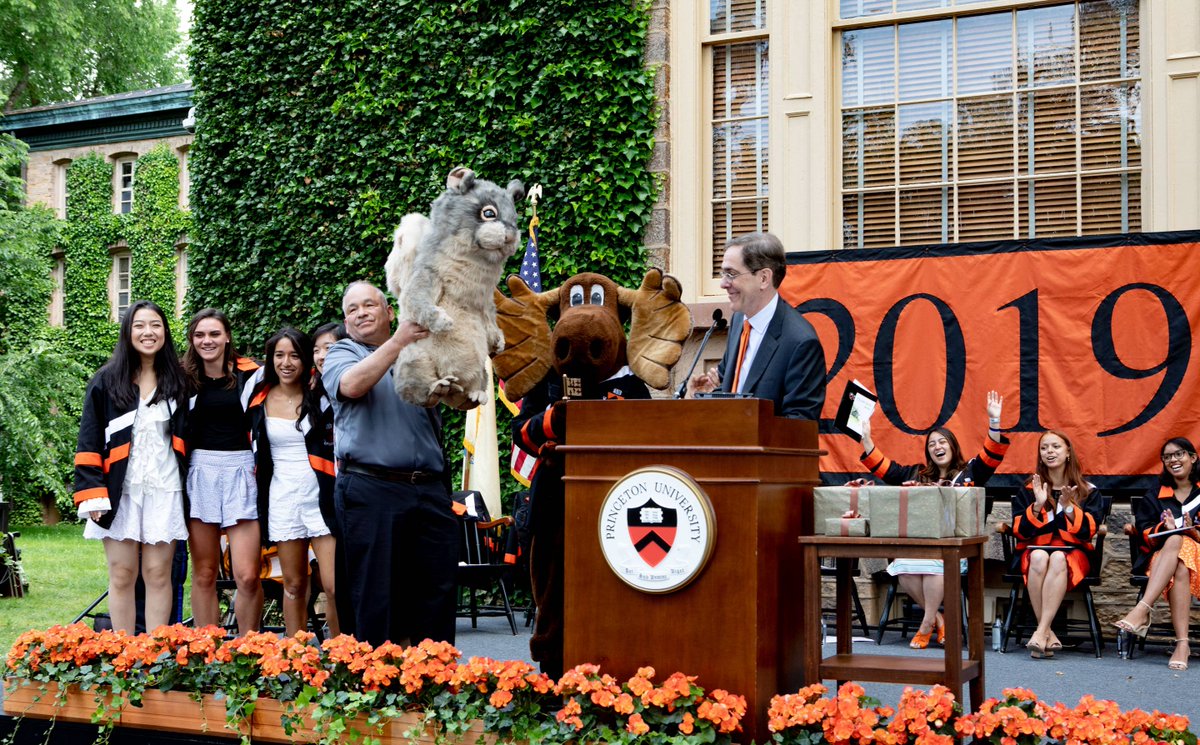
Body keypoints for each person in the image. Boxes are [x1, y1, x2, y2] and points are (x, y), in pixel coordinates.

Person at [321, 281, 457, 647]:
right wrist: (398, 342)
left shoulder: (422, 352)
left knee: (437, 590)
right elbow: (351, 386)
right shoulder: (341, 353)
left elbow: (464, 397)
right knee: (375, 595)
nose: (362, 313)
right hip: (372, 488)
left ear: (389, 312)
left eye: (369, 305)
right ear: (347, 321)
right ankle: (375, 687)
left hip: (429, 488)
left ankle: (434, 682)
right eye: (353, 309)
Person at [858, 391, 1009, 648]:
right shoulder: (918, 475)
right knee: (903, 567)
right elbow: (885, 469)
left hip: (956, 549)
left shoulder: (969, 472)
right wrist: (866, 439)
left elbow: (992, 455)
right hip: (920, 547)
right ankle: (939, 619)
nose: (937, 447)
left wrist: (994, 422)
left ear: (952, 446)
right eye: (932, 444)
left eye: (942, 442)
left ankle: (926, 624)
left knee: (933, 566)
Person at [74, 300, 189, 633]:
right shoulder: (106, 381)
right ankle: (122, 654)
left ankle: (153, 655)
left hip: (164, 489)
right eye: (139, 325)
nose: (148, 332)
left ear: (165, 332)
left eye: (155, 325)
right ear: (127, 332)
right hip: (118, 491)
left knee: (157, 574)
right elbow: (89, 440)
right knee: (122, 574)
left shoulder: (178, 381)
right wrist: (92, 494)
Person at [247, 327, 339, 637]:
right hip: (282, 496)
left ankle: (343, 655)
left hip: (320, 495)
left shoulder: (321, 395)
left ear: (305, 359)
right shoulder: (257, 397)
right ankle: (295, 655)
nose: (287, 363)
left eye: (295, 355)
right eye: (279, 355)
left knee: (332, 584)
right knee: (294, 582)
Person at [685, 231, 826, 420]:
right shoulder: (738, 320)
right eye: (723, 273)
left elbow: (799, 427)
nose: (723, 284)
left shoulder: (801, 342)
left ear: (764, 278)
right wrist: (707, 397)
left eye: (731, 274)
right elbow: (735, 392)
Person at [182, 308, 262, 634]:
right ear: (192, 339)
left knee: (247, 574)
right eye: (200, 335)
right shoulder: (181, 378)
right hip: (200, 471)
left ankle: (250, 649)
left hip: (242, 470)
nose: (207, 340)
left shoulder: (252, 374)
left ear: (227, 336)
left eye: (214, 334)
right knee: (204, 572)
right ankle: (208, 652)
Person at [1011, 430, 1103, 659]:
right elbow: (1020, 533)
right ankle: (1047, 634)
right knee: (1041, 556)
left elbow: (1088, 532)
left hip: (1073, 554)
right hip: (1034, 553)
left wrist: (1070, 508)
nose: (1049, 452)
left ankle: (1040, 630)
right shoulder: (1030, 489)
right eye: (1044, 448)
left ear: (1068, 452)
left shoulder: (1086, 490)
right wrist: (1037, 506)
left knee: (1058, 557)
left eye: (1055, 447)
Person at [1113, 437, 1200, 670]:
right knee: (1176, 546)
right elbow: (1143, 530)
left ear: (1192, 457)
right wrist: (1164, 528)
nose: (1173, 460)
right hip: (1163, 561)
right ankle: (1182, 644)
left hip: (1198, 561)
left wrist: (1194, 532)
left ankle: (1142, 610)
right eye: (1167, 457)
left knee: (1182, 543)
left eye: (1179, 454)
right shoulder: (1155, 494)